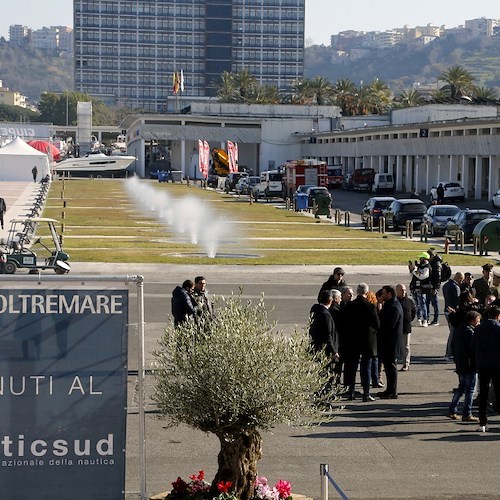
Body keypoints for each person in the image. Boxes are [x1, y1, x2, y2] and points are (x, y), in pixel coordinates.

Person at [345, 283, 380, 402]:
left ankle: (351, 392)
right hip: (367, 340)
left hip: (353, 339)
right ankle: (366, 393)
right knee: (366, 367)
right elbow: (377, 324)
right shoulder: (370, 306)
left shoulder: (350, 305)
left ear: (357, 291)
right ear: (366, 292)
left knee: (352, 368)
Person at [448, 310, 481, 422]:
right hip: (469, 365)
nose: (478, 323)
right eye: (477, 321)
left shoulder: (459, 330)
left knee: (461, 388)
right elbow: (473, 350)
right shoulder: (470, 333)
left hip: (460, 364)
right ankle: (467, 413)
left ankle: (452, 409)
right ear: (472, 321)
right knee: (470, 390)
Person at [473, 305, 500, 432]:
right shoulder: (498, 328)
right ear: (498, 316)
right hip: (497, 365)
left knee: (483, 395)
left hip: (483, 364)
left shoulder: (479, 329)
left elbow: (474, 345)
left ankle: (482, 423)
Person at [309, 289, 338, 398]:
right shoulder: (326, 315)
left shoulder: (315, 310)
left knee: (320, 374)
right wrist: (334, 351)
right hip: (325, 350)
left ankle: (319, 395)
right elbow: (328, 335)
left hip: (316, 347)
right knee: (326, 375)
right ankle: (323, 397)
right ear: (330, 301)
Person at [378, 285, 403, 399]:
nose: (382, 295)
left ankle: (393, 391)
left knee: (391, 367)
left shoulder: (393, 306)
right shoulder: (390, 304)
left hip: (391, 343)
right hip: (388, 342)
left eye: (383, 293)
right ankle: (389, 389)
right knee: (388, 367)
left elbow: (388, 325)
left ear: (389, 294)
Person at [443, 272, 465, 359]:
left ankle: (450, 352)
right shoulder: (456, 287)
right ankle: (448, 353)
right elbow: (457, 301)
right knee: (453, 333)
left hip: (446, 310)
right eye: (462, 280)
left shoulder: (446, 285)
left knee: (452, 332)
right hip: (452, 312)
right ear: (459, 278)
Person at [396, 283, 416, 371]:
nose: (403, 292)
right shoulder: (395, 301)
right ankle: (393, 362)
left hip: (406, 328)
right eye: (401, 290)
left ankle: (406, 364)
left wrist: (409, 320)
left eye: (404, 290)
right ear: (397, 291)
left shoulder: (409, 301)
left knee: (406, 347)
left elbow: (414, 312)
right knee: (395, 346)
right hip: (396, 328)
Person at [409, 252, 432, 327]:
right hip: (416, 288)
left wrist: (414, 270)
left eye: (421, 258)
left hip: (423, 289)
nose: (420, 259)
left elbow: (421, 276)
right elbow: (415, 276)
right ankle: (418, 319)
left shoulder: (427, 267)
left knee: (423, 304)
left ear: (424, 259)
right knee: (417, 304)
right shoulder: (420, 266)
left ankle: (425, 319)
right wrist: (412, 269)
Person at [427, 248, 442, 325]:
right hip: (431, 286)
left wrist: (435, 288)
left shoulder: (436, 264)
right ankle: (428, 318)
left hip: (433, 286)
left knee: (434, 303)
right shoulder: (433, 262)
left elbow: (438, 278)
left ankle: (435, 320)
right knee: (429, 302)